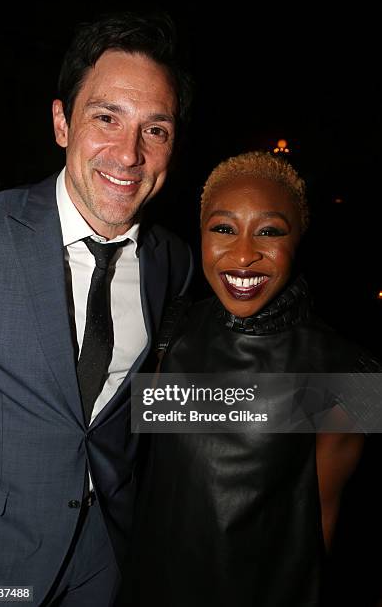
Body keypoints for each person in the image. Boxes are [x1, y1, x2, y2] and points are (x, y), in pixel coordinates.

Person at [0, 10, 193, 607]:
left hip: (107, 562)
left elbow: (157, 403)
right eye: (106, 118)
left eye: (156, 129)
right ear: (62, 123)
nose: (128, 154)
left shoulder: (176, 262)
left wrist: (347, 398)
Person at [122, 151, 380, 606]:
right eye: (222, 228)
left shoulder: (351, 375)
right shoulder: (169, 330)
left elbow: (322, 528)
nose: (243, 254)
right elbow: (150, 479)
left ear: (299, 237)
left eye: (269, 231)